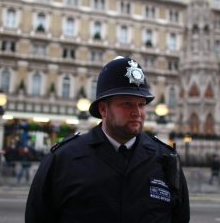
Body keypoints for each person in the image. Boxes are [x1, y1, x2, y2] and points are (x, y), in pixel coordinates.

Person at [25, 56, 190, 223]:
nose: (137, 112)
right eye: (127, 103)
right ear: (103, 109)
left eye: (141, 104)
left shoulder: (164, 159)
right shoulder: (64, 159)